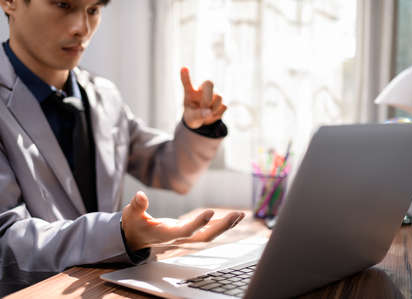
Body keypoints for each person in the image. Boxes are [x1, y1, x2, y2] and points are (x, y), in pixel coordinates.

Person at [0, 0, 245, 295]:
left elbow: (170, 172)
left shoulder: (104, 95)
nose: (82, 29)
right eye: (64, 5)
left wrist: (199, 128)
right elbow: (6, 243)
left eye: (93, 10)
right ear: (10, 2)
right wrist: (120, 235)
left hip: (108, 287)